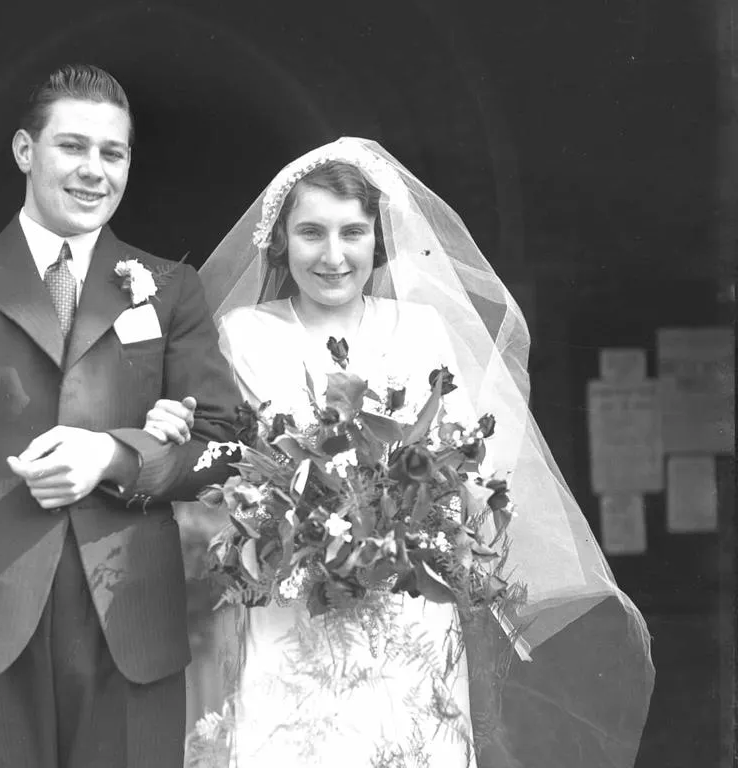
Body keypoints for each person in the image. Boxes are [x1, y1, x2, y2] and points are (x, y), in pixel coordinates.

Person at [144, 137, 655, 767]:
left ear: (375, 237)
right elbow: (226, 458)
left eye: (351, 233)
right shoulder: (246, 333)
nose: (333, 255)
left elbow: (470, 465)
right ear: (279, 241)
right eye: (311, 233)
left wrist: (444, 519)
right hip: (294, 610)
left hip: (408, 611)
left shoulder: (419, 328)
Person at [0, 63, 241, 768]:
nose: (94, 170)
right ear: (24, 151)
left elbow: (229, 449)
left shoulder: (169, 289)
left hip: (130, 626)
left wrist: (114, 458)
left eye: (113, 152)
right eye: (72, 146)